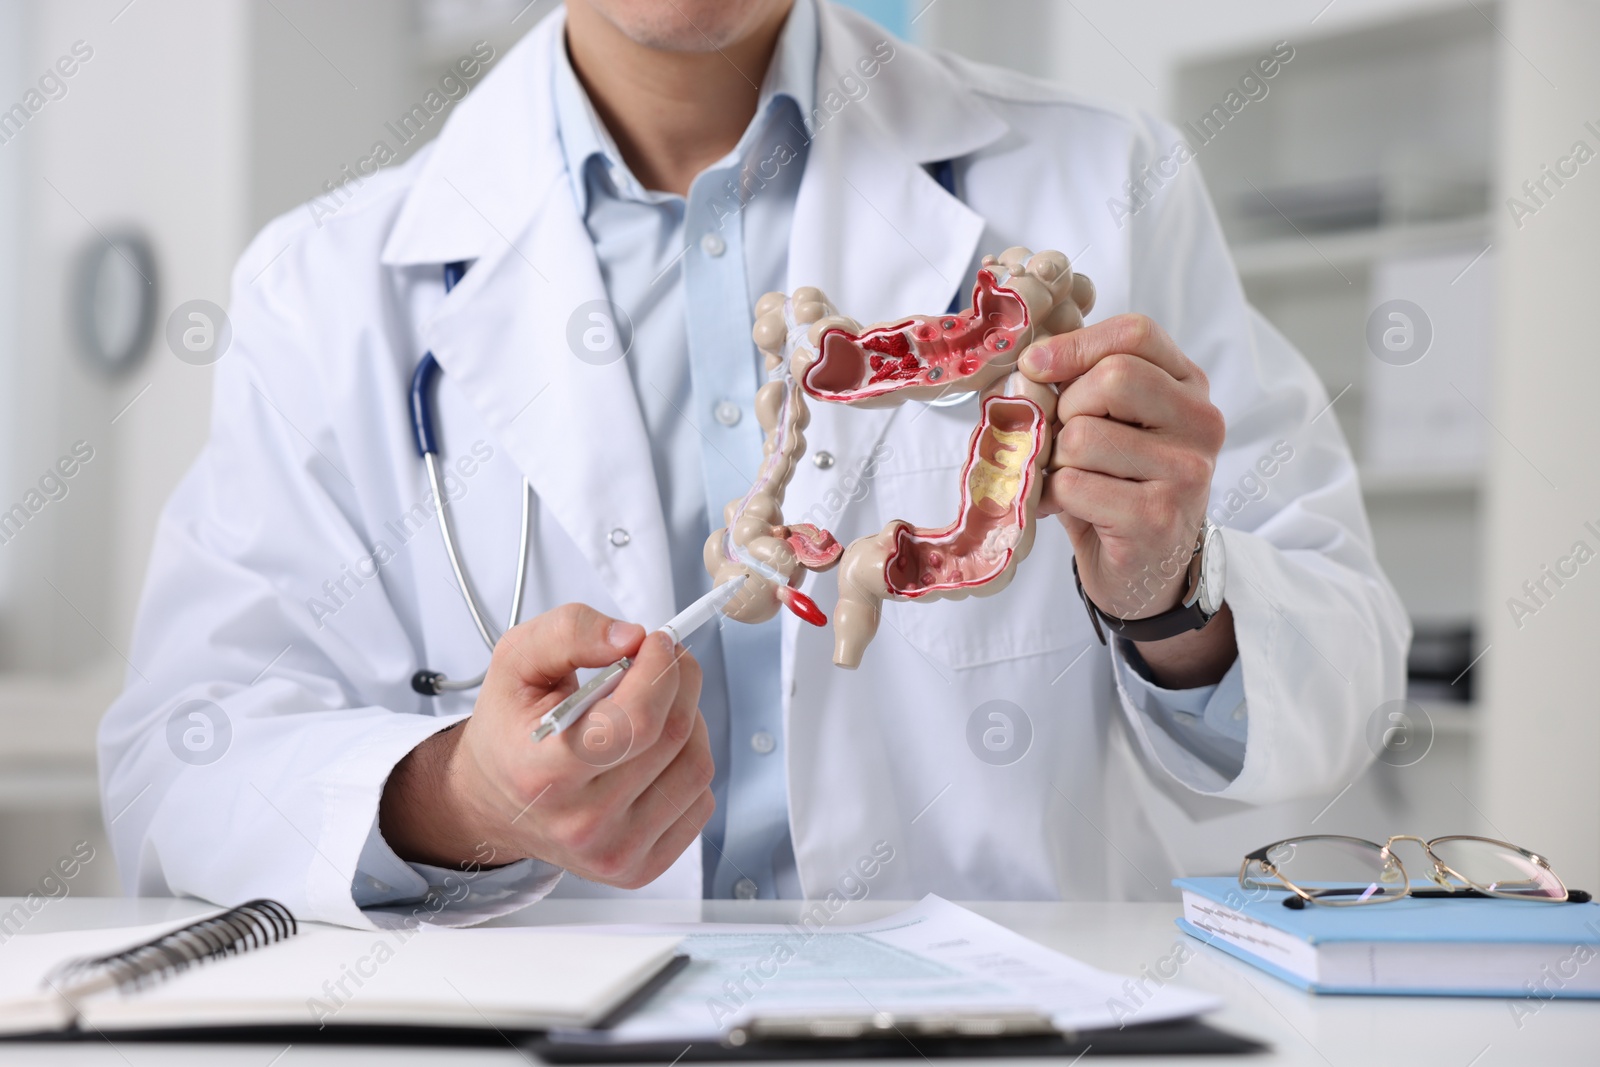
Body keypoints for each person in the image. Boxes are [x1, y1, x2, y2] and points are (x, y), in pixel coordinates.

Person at [98, 0, 1407, 927]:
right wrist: (468, 798)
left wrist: (1174, 594)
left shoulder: (1105, 183)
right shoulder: (323, 286)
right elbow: (185, 754)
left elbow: (1343, 673)